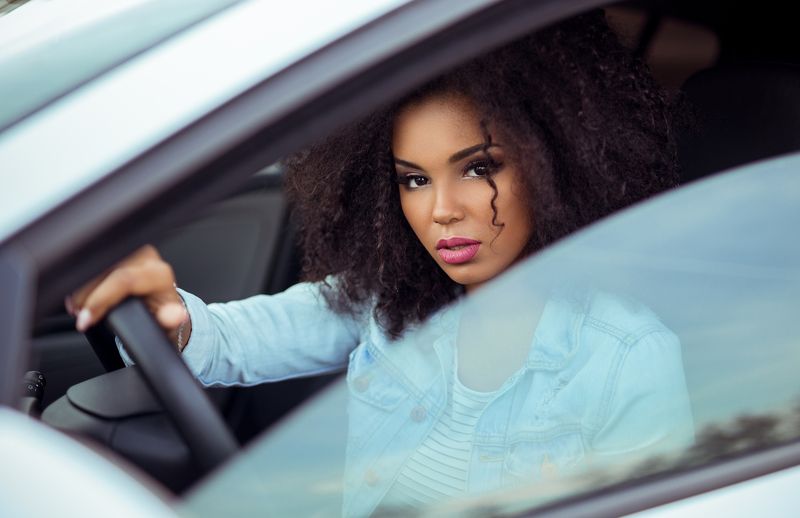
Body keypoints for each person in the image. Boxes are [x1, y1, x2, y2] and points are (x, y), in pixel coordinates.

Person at [66, 10, 693, 517]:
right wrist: (165, 314)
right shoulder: (386, 300)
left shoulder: (627, 354)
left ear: (556, 161)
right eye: (414, 180)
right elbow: (228, 342)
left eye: (479, 168)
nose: (441, 211)